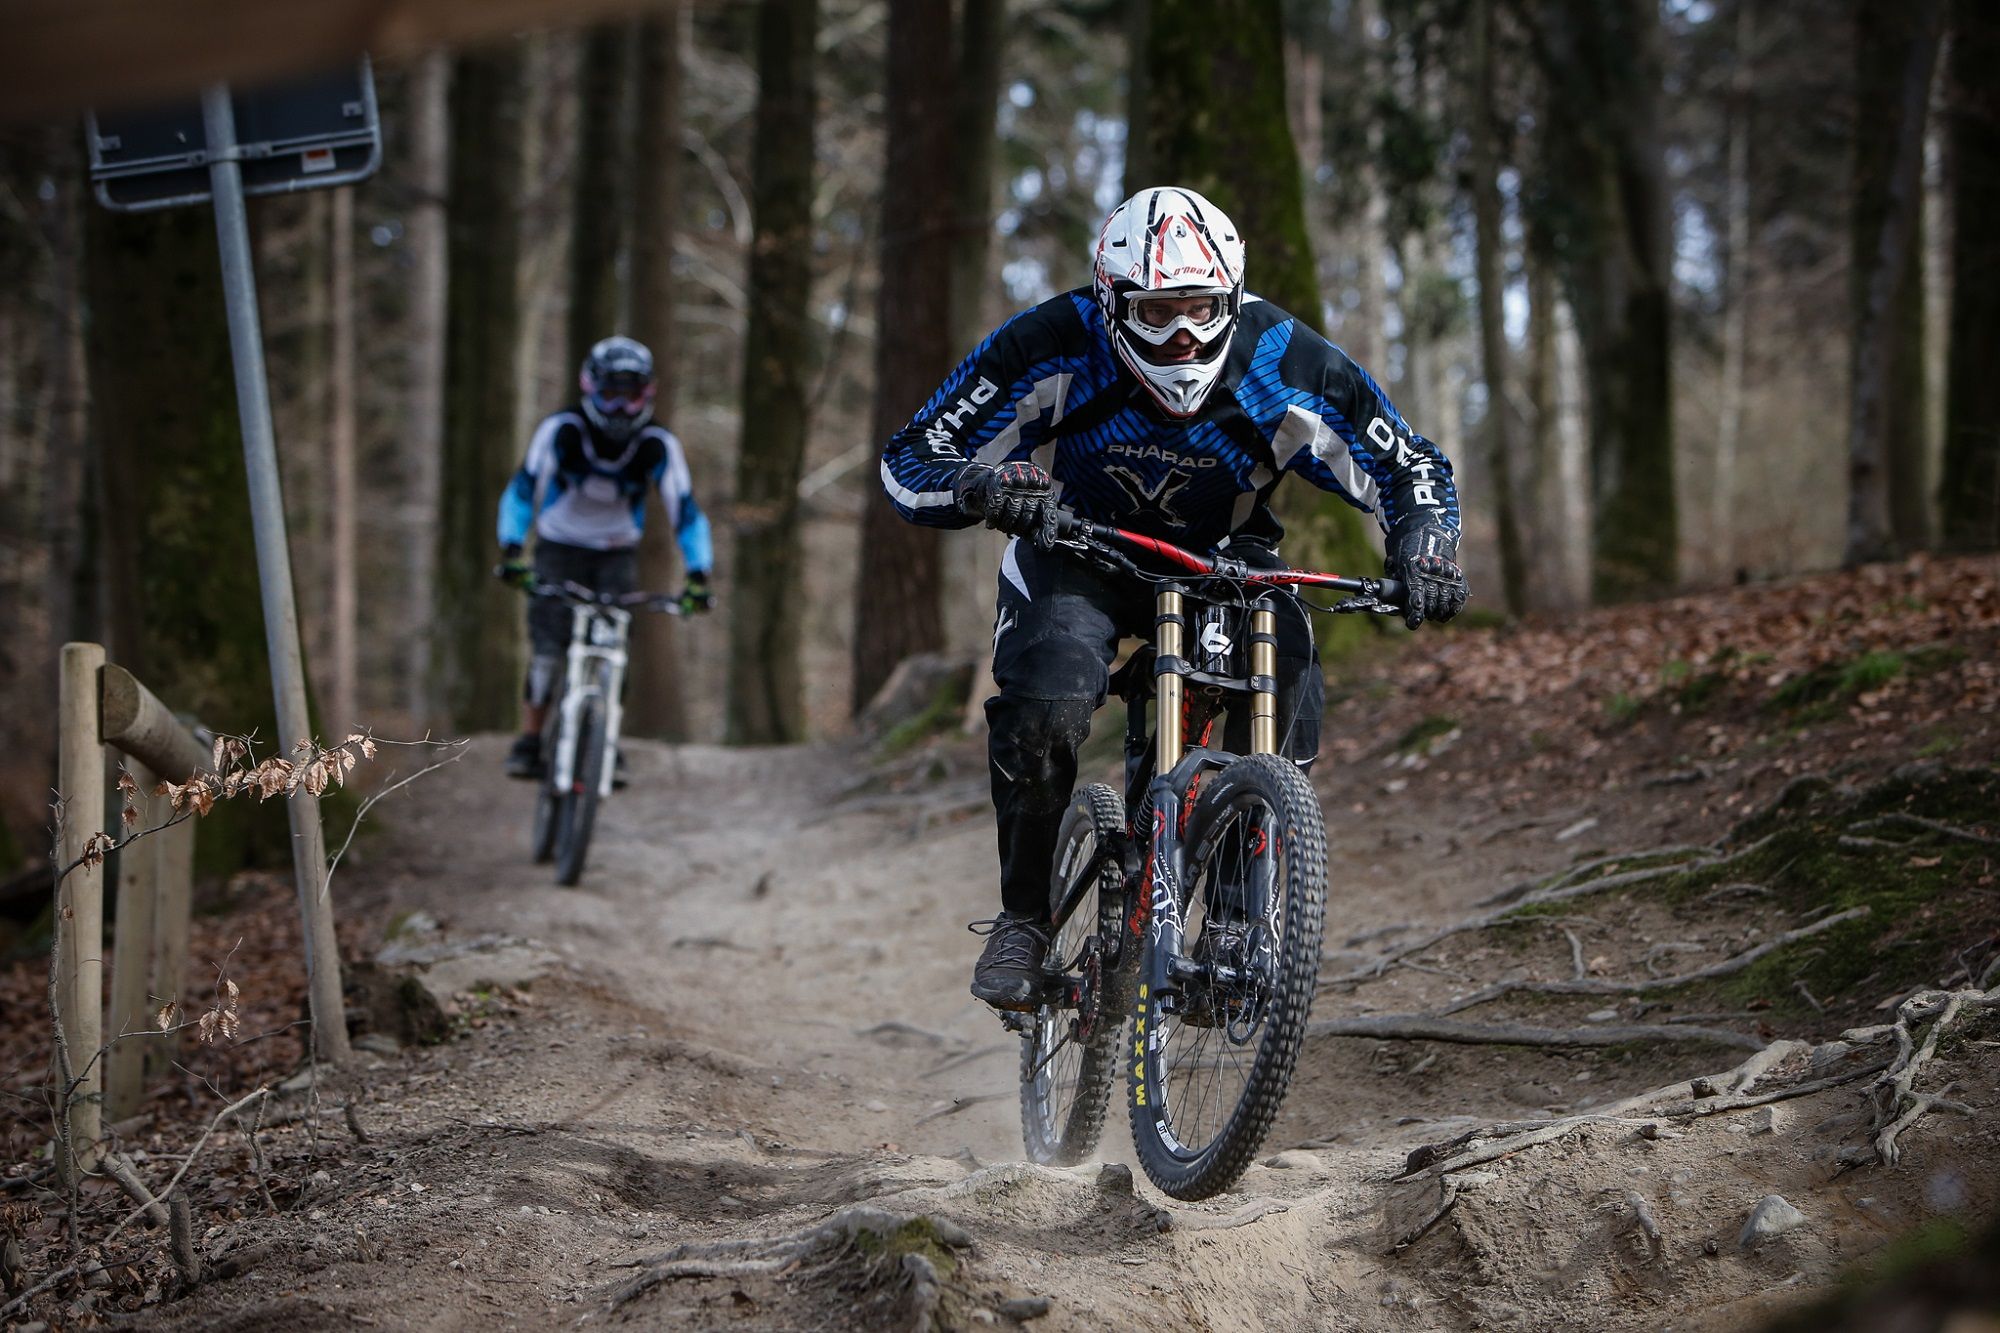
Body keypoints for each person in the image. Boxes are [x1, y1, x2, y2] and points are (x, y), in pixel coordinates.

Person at [879, 185, 1468, 1011]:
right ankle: (1025, 919)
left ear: (1232, 296)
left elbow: (1407, 464)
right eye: (1156, 313)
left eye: (1200, 309)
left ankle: (1233, 918)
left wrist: (1424, 546)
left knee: (1290, 669)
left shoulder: (1282, 358)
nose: (1182, 334)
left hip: (1222, 558)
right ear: (1111, 300)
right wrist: (984, 486)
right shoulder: (1054, 340)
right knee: (1046, 702)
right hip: (1076, 547)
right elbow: (913, 454)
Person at [498, 335, 714, 779]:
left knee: (614, 649)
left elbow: (686, 512)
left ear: (646, 394)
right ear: (590, 387)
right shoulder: (562, 430)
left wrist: (699, 574)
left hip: (616, 555)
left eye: (629, 393)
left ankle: (605, 744)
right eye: (610, 392)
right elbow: (523, 491)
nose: (618, 406)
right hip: (558, 549)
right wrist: (512, 548)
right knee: (546, 651)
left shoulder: (657, 445)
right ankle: (530, 739)